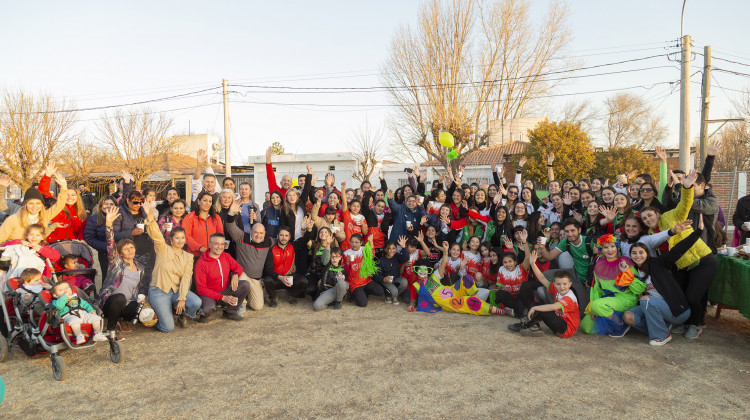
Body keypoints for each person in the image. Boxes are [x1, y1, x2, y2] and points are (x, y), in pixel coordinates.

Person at [623, 216, 704, 346]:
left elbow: (678, 250)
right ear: (630, 256)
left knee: (646, 300)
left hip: (677, 310)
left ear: (647, 253)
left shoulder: (658, 263)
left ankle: (661, 335)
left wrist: (698, 232)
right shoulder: (634, 271)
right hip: (654, 307)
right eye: (634, 253)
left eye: (641, 252)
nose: (638, 256)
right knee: (628, 316)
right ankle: (662, 327)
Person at [142, 201, 202, 332]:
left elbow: (186, 278)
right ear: (171, 239)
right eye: (177, 238)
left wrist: (182, 298)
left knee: (196, 302)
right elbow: (156, 234)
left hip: (175, 291)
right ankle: (156, 314)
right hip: (159, 291)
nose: (180, 241)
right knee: (168, 328)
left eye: (182, 238)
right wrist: (150, 217)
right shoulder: (163, 248)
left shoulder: (188, 257)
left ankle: (180, 314)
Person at [579, 234, 644, 337]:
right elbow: (596, 289)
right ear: (602, 249)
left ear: (617, 247)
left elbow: (639, 288)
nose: (610, 250)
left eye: (612, 246)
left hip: (625, 298)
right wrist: (592, 307)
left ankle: (620, 324)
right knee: (586, 326)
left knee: (598, 306)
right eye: (606, 247)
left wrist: (626, 272)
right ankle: (612, 316)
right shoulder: (599, 264)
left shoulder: (625, 262)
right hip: (607, 300)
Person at [99, 207, 149, 340]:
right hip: (111, 303)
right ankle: (110, 330)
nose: (130, 250)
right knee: (119, 297)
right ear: (120, 253)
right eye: (126, 249)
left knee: (143, 308)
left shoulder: (140, 268)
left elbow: (140, 287)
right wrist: (109, 225)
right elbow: (110, 244)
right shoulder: (116, 264)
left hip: (128, 304)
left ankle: (122, 320)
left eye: (131, 247)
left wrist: (141, 299)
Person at [508, 254, 580, 338]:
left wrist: (535, 309)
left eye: (565, 284)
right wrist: (532, 264)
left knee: (541, 308)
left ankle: (529, 325)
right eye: (559, 284)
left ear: (570, 284)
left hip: (566, 329)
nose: (562, 287)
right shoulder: (557, 289)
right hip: (559, 320)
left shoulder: (569, 297)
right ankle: (532, 326)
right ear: (554, 284)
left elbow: (554, 306)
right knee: (536, 304)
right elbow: (542, 279)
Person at [410, 254, 503, 315]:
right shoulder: (415, 286)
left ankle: (475, 297)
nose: (422, 272)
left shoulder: (433, 276)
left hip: (452, 290)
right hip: (446, 302)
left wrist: (446, 251)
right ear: (416, 270)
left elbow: (443, 265)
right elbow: (413, 301)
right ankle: (501, 311)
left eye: (425, 269)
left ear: (428, 270)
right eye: (420, 269)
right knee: (468, 301)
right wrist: (411, 306)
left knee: (466, 278)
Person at [225, 202, 272, 311]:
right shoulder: (241, 237)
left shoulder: (268, 241)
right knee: (241, 278)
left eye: (261, 233)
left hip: (256, 279)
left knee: (258, 307)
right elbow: (231, 227)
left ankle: (247, 297)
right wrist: (231, 213)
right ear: (250, 231)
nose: (258, 235)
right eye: (255, 232)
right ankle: (241, 303)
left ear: (265, 233)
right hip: (242, 275)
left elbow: (284, 242)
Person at [0, 172, 69, 243]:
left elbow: (59, 205)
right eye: (31, 203)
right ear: (25, 204)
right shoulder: (13, 220)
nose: (34, 207)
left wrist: (64, 188)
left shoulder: (44, 216)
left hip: (35, 252)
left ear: (42, 204)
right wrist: (1, 187)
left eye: (38, 203)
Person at [194, 233, 249, 321]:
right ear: (210, 244)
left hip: (225, 290)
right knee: (207, 309)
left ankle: (229, 312)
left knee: (245, 285)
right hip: (209, 294)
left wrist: (235, 274)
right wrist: (223, 298)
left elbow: (238, 267)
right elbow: (201, 289)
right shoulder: (201, 263)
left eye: (222, 244)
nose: (219, 247)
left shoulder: (226, 256)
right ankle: (203, 314)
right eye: (216, 244)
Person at [112, 189, 155, 291]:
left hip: (147, 250)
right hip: (130, 253)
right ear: (127, 200)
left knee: (147, 279)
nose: (138, 204)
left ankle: (144, 301)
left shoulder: (143, 211)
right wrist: (131, 232)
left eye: (140, 202)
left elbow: (152, 226)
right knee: (133, 280)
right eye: (135, 202)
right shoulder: (120, 213)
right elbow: (114, 235)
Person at [262, 225, 313, 306]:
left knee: (303, 281)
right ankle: (273, 297)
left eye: (286, 236)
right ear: (277, 236)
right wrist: (280, 277)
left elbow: (305, 239)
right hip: (277, 278)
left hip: (289, 278)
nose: (283, 238)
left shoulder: (292, 247)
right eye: (281, 235)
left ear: (289, 237)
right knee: (267, 279)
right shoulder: (272, 250)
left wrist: (309, 229)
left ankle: (291, 295)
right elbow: (267, 269)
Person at [37, 162, 87, 241]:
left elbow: (82, 230)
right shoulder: (55, 205)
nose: (70, 197)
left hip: (71, 246)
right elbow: (43, 191)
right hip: (53, 244)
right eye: (67, 194)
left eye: (73, 195)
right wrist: (48, 176)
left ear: (77, 197)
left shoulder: (81, 212)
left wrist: (81, 240)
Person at [84, 195, 119, 280]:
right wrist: (105, 246)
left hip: (121, 251)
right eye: (106, 203)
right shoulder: (94, 218)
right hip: (105, 253)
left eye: (111, 204)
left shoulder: (119, 217)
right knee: (107, 277)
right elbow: (89, 237)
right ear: (101, 205)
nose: (108, 206)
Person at [343, 233, 383, 307]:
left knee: (380, 291)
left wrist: (371, 242)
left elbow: (372, 255)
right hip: (355, 284)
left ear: (361, 243)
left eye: (356, 242)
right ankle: (354, 294)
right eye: (352, 242)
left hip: (366, 280)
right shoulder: (346, 253)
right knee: (363, 304)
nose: (354, 244)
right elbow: (345, 271)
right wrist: (347, 263)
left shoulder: (364, 249)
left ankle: (363, 293)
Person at [182, 191, 224, 257]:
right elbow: (186, 236)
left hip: (212, 254)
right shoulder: (189, 217)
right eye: (205, 200)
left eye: (210, 201)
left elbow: (220, 235)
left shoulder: (216, 217)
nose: (207, 203)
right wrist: (200, 248)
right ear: (198, 201)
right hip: (194, 255)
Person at [372, 240, 409, 304]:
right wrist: (384, 279)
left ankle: (394, 297)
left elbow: (406, 258)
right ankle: (388, 295)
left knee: (404, 281)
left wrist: (404, 247)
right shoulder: (381, 261)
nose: (391, 251)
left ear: (396, 249)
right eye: (388, 248)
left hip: (396, 279)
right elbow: (376, 276)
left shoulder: (397, 256)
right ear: (385, 249)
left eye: (393, 248)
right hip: (386, 282)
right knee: (394, 291)